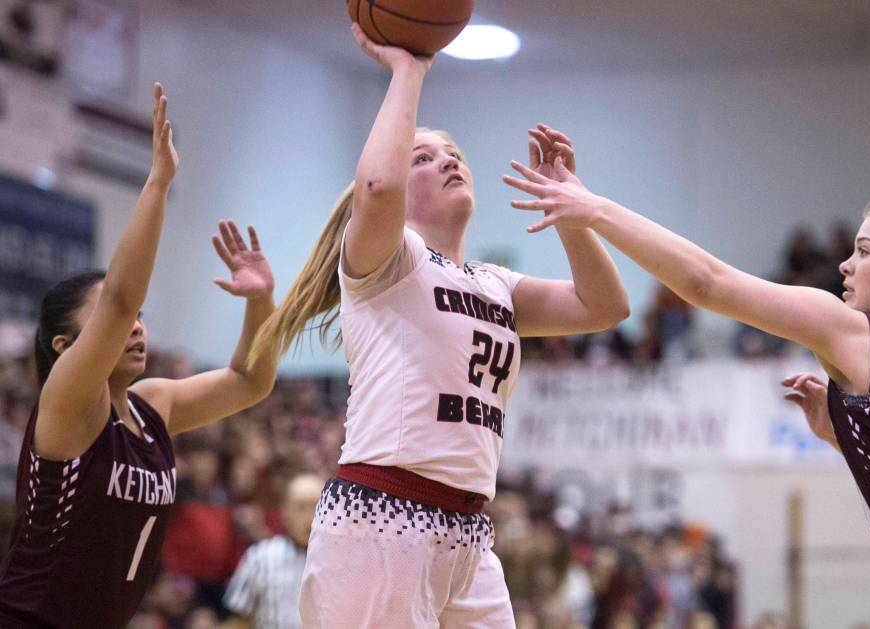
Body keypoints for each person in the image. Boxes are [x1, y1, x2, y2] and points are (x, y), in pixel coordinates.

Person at [503, 163, 870, 626]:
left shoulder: (865, 333)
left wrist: (594, 209)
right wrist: (848, 435)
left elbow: (707, 282)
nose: (845, 265)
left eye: (864, 251)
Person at [247, 23, 629, 628]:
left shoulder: (497, 283)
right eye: (422, 157)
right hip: (382, 515)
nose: (448, 160)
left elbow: (604, 306)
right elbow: (378, 186)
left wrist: (569, 211)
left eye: (453, 154)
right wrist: (409, 70)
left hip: (469, 530)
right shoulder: (390, 260)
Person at [0, 84, 280, 629]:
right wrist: (158, 182)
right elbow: (122, 298)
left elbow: (250, 381)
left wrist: (260, 302)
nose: (135, 325)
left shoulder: (152, 406)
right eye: (112, 319)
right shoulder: (67, 405)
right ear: (64, 347)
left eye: (141, 318)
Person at [223, 474, 323, 629]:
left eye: (317, 507)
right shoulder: (259, 558)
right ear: (286, 512)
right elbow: (238, 621)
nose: (310, 517)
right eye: (301, 508)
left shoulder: (341, 562)